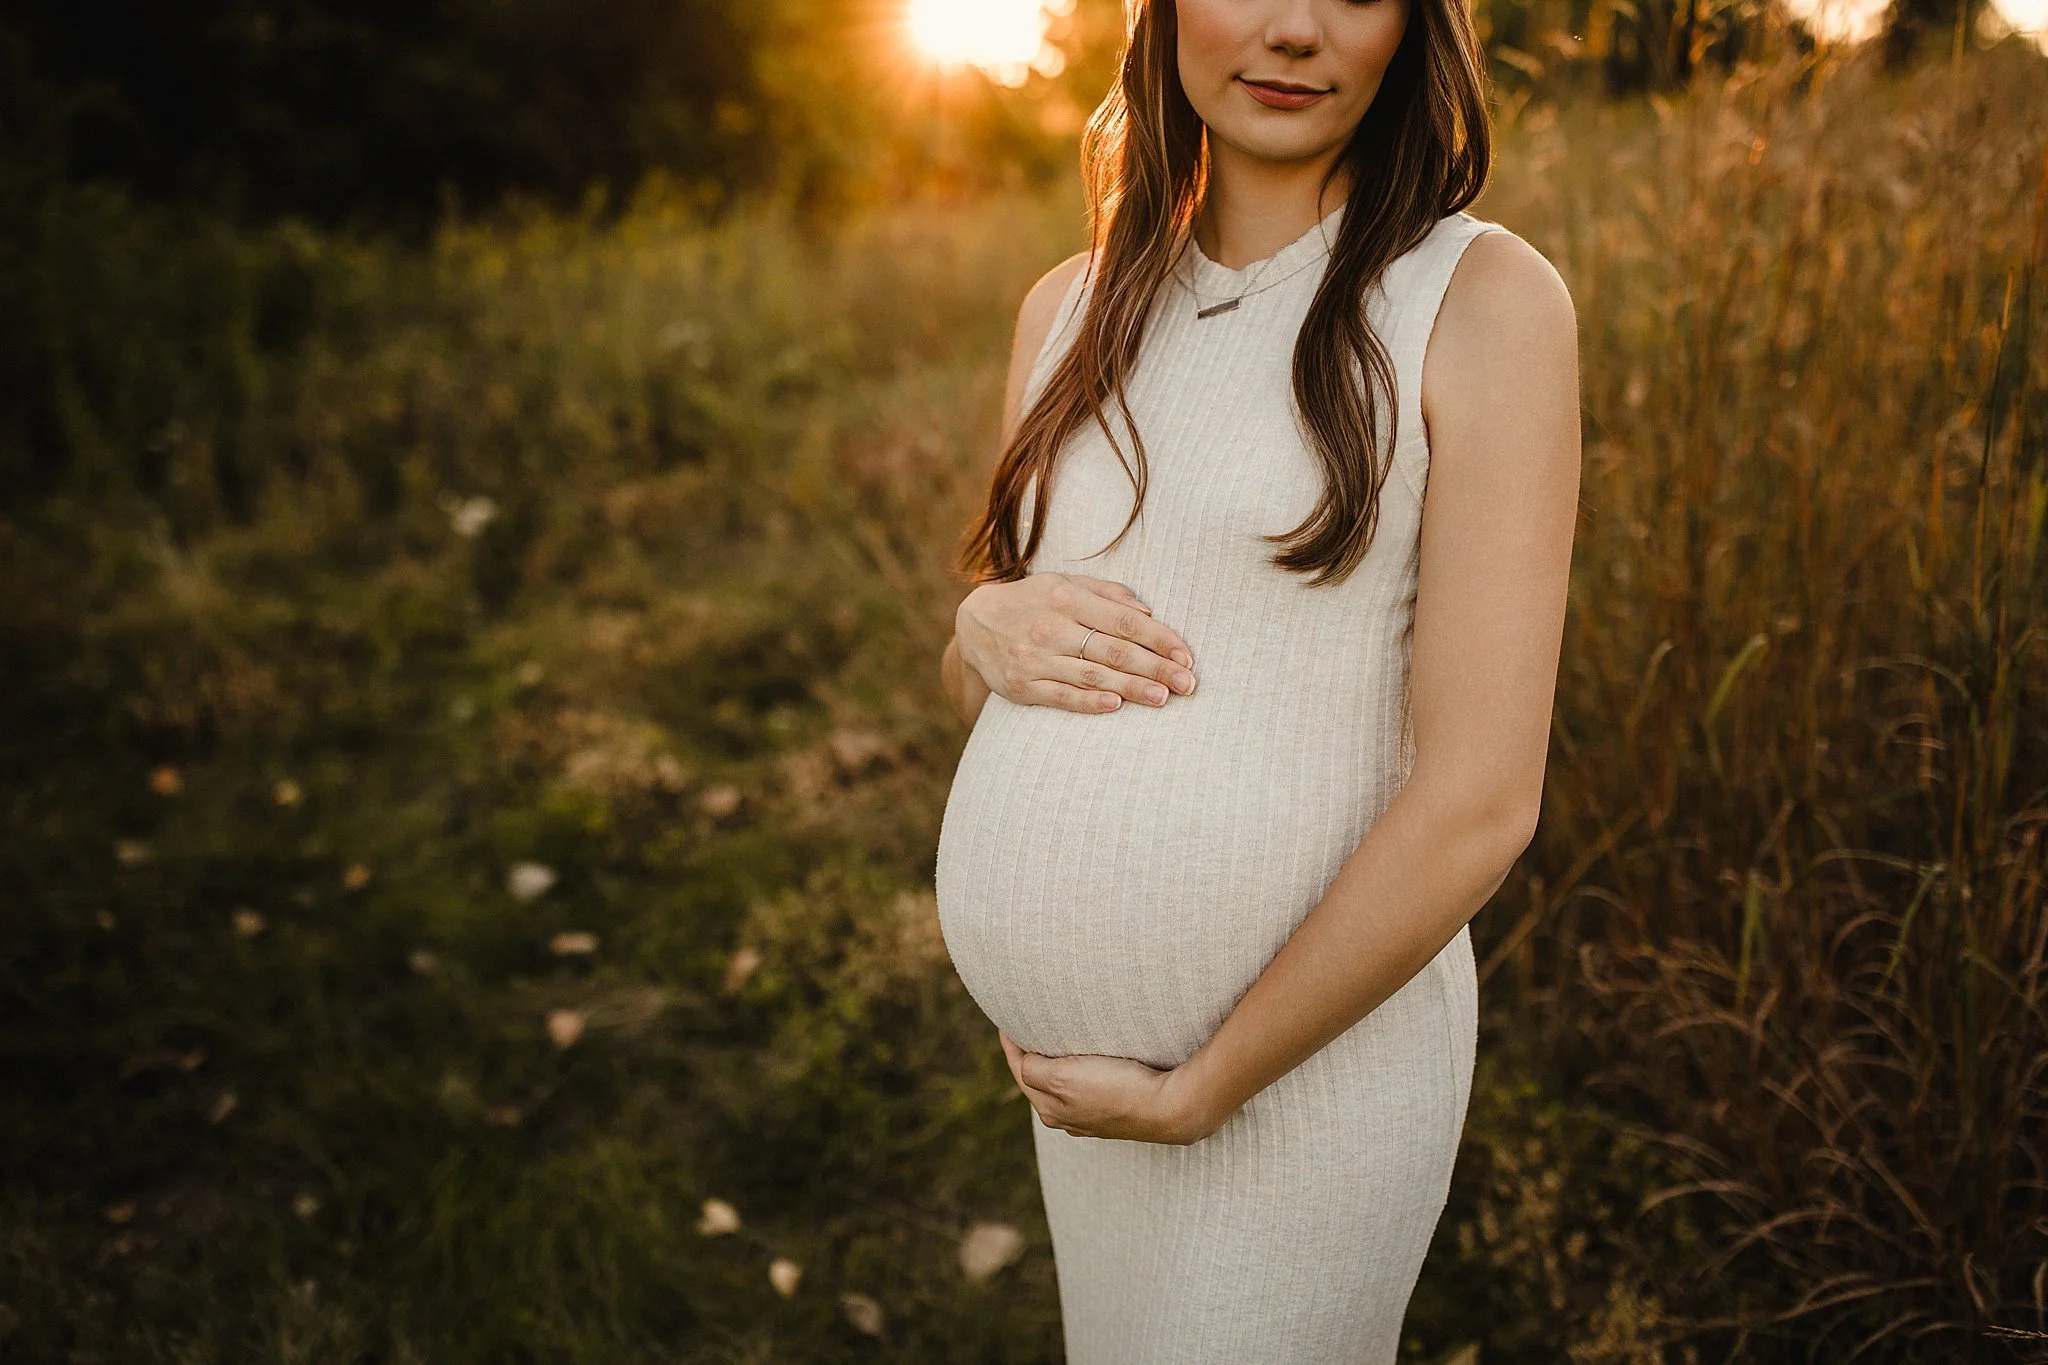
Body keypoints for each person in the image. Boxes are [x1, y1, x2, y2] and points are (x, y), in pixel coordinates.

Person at [932, 0, 1580, 1358]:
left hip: (1306, 1094)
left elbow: (1481, 800)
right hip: (1089, 1103)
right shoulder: (1069, 307)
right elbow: (1017, 668)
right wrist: (981, 625)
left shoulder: (1479, 300)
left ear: (1412, 28)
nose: (1292, 30)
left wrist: (1209, 1086)